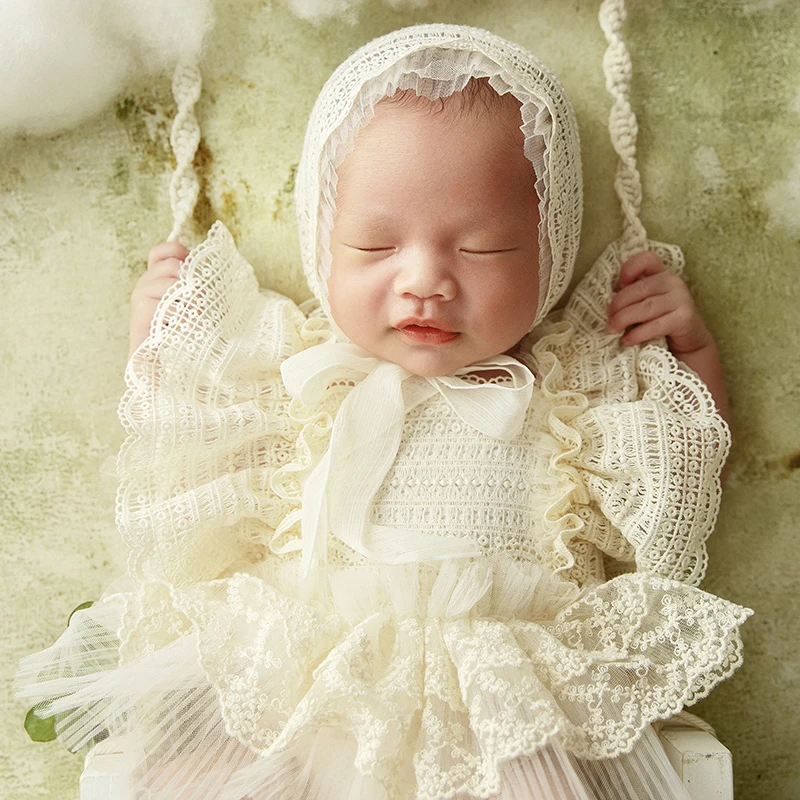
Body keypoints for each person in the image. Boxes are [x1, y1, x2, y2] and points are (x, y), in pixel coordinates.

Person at [18, 24, 750, 800]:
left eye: (485, 248)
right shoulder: (297, 382)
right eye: (374, 246)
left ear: (550, 253)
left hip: (500, 696)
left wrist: (691, 349)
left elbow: (687, 459)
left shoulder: (570, 398)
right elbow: (180, 434)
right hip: (318, 679)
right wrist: (161, 337)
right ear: (322, 243)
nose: (425, 280)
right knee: (199, 771)